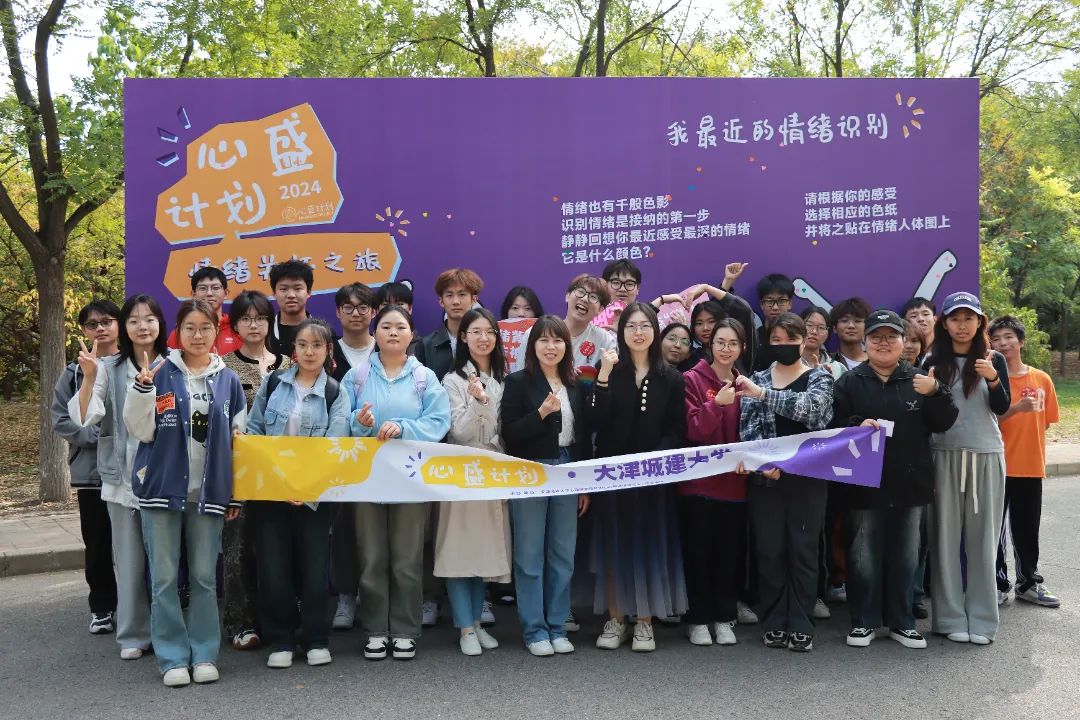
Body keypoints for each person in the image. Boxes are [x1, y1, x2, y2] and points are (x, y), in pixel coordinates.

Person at [124, 299, 247, 687]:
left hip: (208, 494)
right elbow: (140, 431)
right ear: (178, 331)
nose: (198, 335)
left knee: (204, 577)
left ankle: (204, 653)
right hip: (161, 489)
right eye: (190, 328)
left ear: (216, 332)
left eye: (206, 328)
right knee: (163, 579)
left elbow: (239, 443)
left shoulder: (228, 380)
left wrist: (235, 493)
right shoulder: (159, 372)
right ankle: (172, 657)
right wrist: (142, 390)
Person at [831, 310, 958, 650]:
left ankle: (903, 623)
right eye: (876, 337)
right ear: (865, 343)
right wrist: (855, 425)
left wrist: (937, 392)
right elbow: (833, 424)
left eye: (891, 337)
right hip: (863, 486)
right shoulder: (849, 382)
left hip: (910, 484)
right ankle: (863, 622)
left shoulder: (919, 380)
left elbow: (945, 422)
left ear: (904, 342)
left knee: (906, 557)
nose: (883, 343)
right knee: (862, 557)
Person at [344, 305, 451, 661]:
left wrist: (405, 428)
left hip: (410, 479)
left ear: (411, 335)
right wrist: (360, 424)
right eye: (386, 326)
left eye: (400, 327)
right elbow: (342, 422)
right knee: (371, 557)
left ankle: (405, 630)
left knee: (407, 559)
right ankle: (376, 629)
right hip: (366, 480)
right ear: (374, 333)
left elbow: (439, 421)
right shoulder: (357, 376)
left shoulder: (424, 377)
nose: (392, 332)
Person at [245, 319, 350, 669]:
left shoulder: (336, 392)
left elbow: (334, 446)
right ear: (294, 349)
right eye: (303, 344)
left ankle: (315, 638)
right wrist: (280, 483)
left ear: (327, 351)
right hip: (271, 493)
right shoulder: (273, 383)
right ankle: (281, 638)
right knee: (274, 569)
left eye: (317, 345)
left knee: (314, 569)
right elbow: (254, 432)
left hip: (314, 496)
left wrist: (304, 488)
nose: (309, 351)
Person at [69, 295, 165, 659]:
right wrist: (89, 377)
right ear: (125, 327)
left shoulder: (173, 363)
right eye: (134, 320)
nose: (143, 326)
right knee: (128, 561)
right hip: (122, 479)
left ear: (160, 324)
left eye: (149, 319)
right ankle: (133, 634)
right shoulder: (108, 368)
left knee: (167, 565)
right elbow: (84, 417)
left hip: (166, 479)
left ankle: (167, 630)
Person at [589, 302, 688, 652]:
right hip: (612, 476)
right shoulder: (609, 370)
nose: (638, 332)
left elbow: (677, 429)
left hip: (652, 477)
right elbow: (594, 421)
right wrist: (603, 376)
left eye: (645, 325)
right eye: (631, 326)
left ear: (655, 331)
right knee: (613, 547)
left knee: (649, 546)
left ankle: (645, 621)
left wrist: (653, 460)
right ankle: (616, 619)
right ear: (621, 332)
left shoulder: (671, 377)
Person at [737, 312, 834, 652]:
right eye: (776, 340)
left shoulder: (819, 378)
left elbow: (813, 412)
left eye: (790, 339)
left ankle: (802, 623)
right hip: (767, 480)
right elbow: (748, 428)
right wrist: (763, 464)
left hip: (808, 480)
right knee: (770, 551)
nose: (783, 345)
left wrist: (764, 395)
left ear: (804, 340)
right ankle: (775, 622)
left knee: (804, 551)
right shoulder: (758, 378)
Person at [500, 315, 592, 656]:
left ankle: (557, 626)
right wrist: (539, 414)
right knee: (529, 555)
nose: (550, 347)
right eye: (543, 340)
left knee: (563, 553)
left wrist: (585, 483)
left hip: (569, 469)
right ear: (532, 345)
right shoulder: (518, 382)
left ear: (566, 345)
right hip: (530, 470)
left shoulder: (575, 384)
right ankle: (534, 630)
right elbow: (510, 434)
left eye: (557, 340)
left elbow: (583, 437)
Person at [925, 291, 1010, 645]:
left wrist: (993, 378)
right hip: (943, 456)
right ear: (944, 323)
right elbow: (926, 413)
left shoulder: (993, 358)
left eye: (969, 318)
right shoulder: (932, 360)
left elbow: (1002, 407)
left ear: (980, 322)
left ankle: (983, 620)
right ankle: (948, 619)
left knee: (983, 542)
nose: (962, 325)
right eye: (955, 318)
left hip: (986, 455)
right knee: (944, 541)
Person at [435, 308, 511, 655]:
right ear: (463, 337)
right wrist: (479, 402)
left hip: (494, 472)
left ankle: (478, 623)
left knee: (484, 554)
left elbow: (506, 430)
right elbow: (458, 432)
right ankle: (465, 626)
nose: (483, 338)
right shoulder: (452, 380)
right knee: (458, 552)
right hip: (461, 472)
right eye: (475, 332)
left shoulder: (504, 378)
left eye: (489, 332)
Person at [221, 290, 292, 651]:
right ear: (234, 325)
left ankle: (282, 618)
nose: (254, 325)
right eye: (246, 319)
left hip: (283, 472)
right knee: (238, 547)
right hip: (239, 472)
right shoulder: (223, 367)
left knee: (280, 547)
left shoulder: (288, 364)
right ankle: (241, 622)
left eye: (261, 318)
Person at [52, 299, 121, 636]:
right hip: (92, 474)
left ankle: (137, 606)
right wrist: (96, 436)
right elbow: (60, 419)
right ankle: (102, 607)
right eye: (93, 324)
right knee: (97, 544)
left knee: (136, 545)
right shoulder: (73, 372)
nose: (100, 328)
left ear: (119, 325)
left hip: (130, 474)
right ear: (83, 330)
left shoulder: (134, 365)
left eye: (107, 321)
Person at [679, 318, 748, 647]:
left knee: (727, 555)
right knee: (697, 554)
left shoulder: (746, 385)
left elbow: (753, 433)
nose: (726, 349)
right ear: (710, 344)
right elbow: (693, 429)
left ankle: (723, 617)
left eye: (733, 343)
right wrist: (716, 404)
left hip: (734, 486)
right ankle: (697, 620)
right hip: (697, 485)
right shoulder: (691, 379)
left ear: (742, 348)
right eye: (720, 342)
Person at [990, 315, 1061, 608]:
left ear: (1021, 341)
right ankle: (997, 584)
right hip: (995, 466)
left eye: (1008, 337)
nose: (1003, 343)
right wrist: (1016, 409)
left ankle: (1028, 583)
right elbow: (986, 421)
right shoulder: (990, 380)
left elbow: (1046, 422)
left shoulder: (1041, 379)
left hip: (1030, 466)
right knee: (994, 532)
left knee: (1027, 530)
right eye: (996, 339)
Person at [328, 283, 377, 631]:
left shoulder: (388, 347)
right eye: (348, 307)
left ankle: (377, 599)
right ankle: (346, 596)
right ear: (338, 312)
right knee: (344, 528)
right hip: (342, 455)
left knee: (381, 530)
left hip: (385, 456)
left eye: (363, 307)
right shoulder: (327, 350)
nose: (356, 313)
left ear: (373, 312)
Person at [416, 268, 484, 382]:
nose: (456, 301)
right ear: (441, 301)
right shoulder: (426, 345)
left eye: (462, 294)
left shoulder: (485, 340)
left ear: (474, 299)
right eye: (449, 295)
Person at [166, 267, 242, 355]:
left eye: (215, 288)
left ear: (226, 293)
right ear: (193, 294)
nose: (209, 293)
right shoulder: (180, 333)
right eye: (203, 288)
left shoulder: (237, 329)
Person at [562, 274, 613, 374]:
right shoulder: (541, 332)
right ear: (567, 296)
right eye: (580, 292)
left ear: (601, 309)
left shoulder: (605, 340)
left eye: (593, 297)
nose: (585, 299)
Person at [268, 260, 314, 357]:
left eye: (298, 288)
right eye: (284, 289)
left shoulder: (324, 333)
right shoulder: (264, 333)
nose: (291, 295)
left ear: (309, 292)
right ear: (274, 293)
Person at [752, 274, 796, 371]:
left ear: (790, 304)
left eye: (781, 301)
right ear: (761, 304)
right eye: (769, 301)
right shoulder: (753, 339)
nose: (775, 307)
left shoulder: (797, 338)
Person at [799, 306, 844, 380]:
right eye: (809, 325)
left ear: (828, 333)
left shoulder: (838, 369)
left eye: (821, 328)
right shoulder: (784, 363)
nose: (814, 331)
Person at [830, 297, 872, 370]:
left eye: (857, 321)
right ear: (835, 328)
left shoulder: (877, 361)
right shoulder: (828, 362)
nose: (851, 326)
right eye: (845, 321)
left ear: (867, 327)